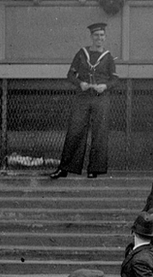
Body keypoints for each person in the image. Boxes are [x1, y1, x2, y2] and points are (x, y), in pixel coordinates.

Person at [49, 23, 119, 180]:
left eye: (102, 35)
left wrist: (105, 86)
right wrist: (80, 83)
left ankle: (94, 169)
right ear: (91, 37)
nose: (99, 38)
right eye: (96, 35)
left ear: (105, 37)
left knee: (99, 133)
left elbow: (115, 79)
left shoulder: (108, 57)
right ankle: (65, 168)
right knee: (75, 130)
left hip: (101, 98)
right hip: (83, 97)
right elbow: (70, 74)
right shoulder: (82, 53)